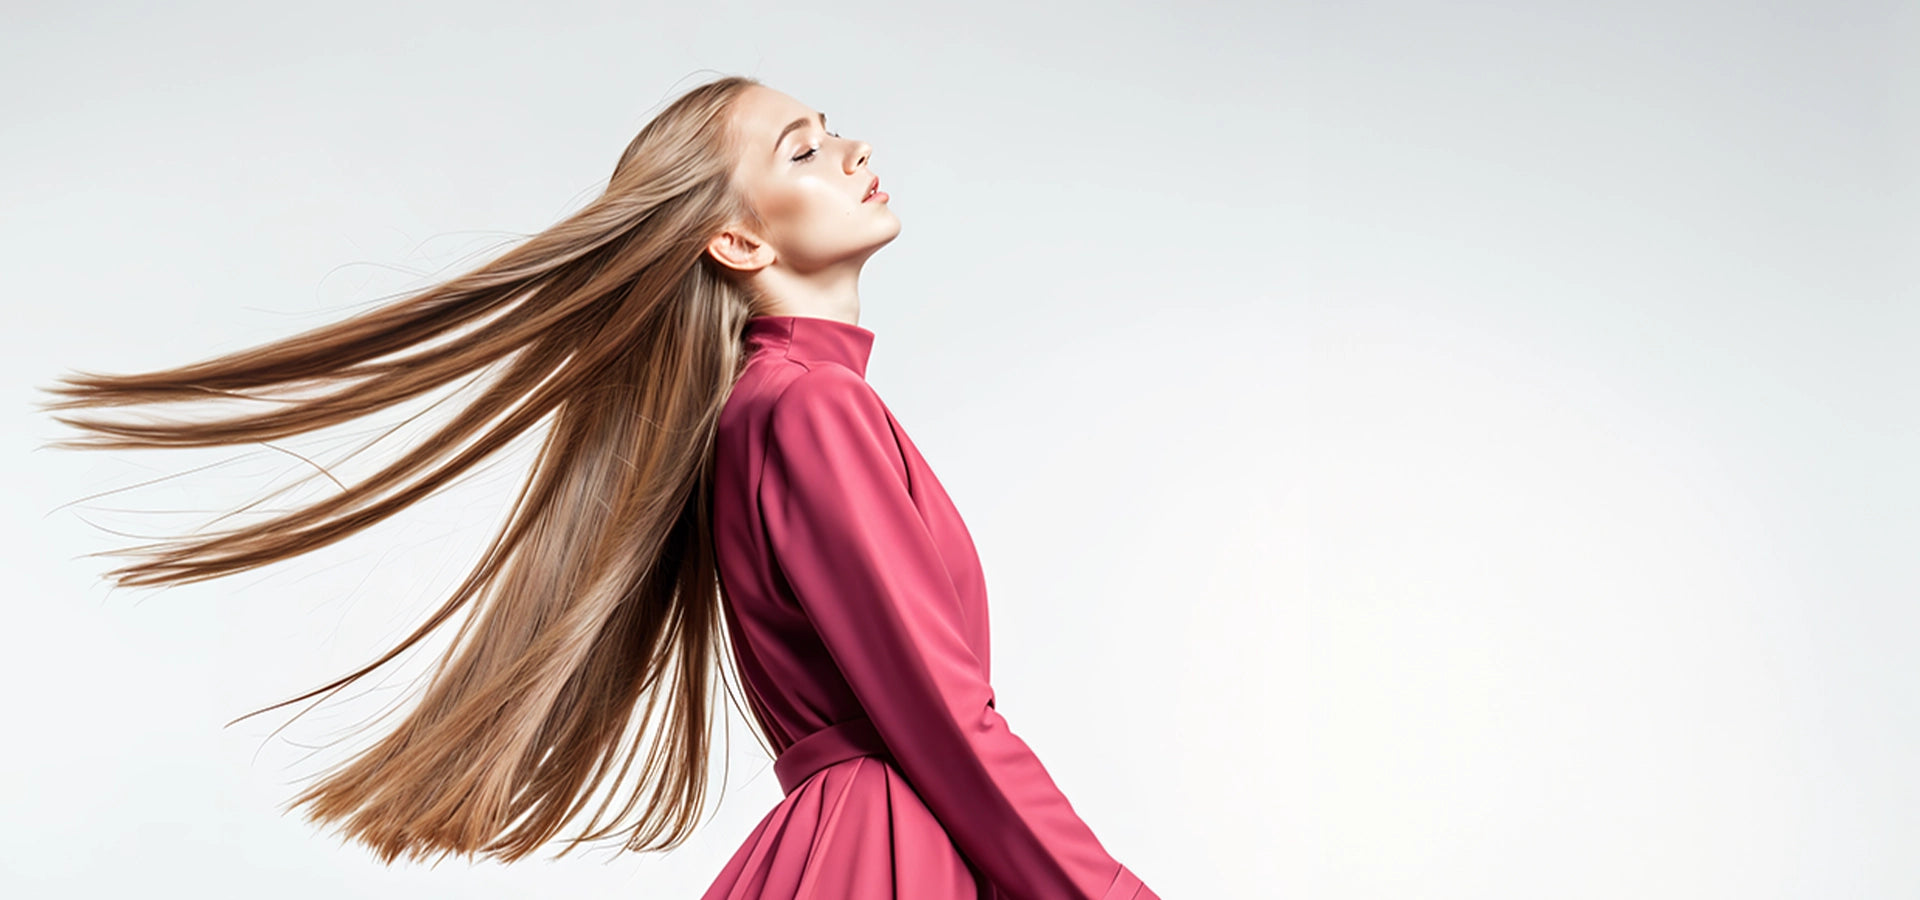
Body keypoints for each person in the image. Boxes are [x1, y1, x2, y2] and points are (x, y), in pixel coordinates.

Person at [38, 74, 1157, 899]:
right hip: (890, 855)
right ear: (736, 242)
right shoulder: (811, 410)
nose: (854, 145)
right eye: (805, 151)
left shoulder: (781, 407)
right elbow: (945, 717)